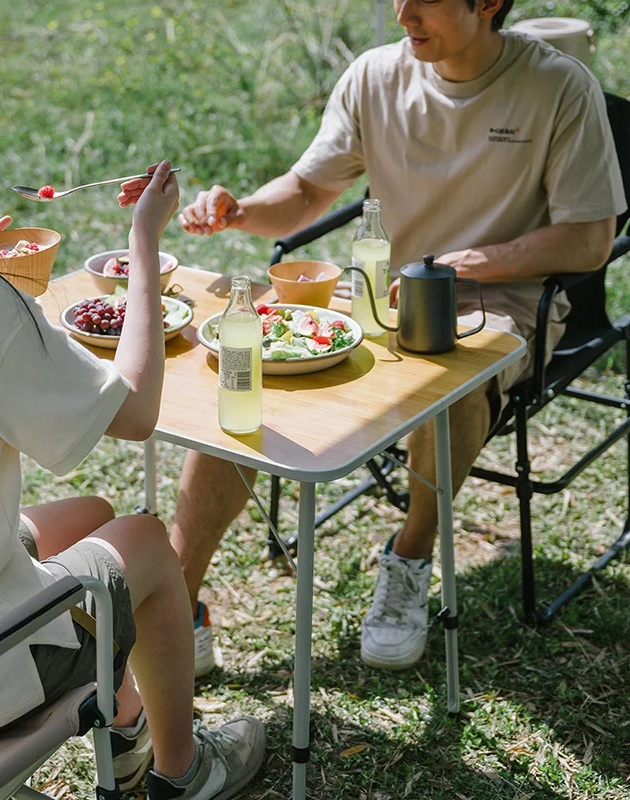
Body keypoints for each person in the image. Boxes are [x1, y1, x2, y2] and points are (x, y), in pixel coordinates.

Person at [0, 15, 266, 800]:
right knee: (141, 542)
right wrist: (143, 247)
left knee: (87, 512)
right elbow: (132, 413)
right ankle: (185, 773)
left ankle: (126, 731)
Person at [132, 0, 627, 674]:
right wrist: (241, 209)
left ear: (486, 3)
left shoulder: (557, 86)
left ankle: (410, 556)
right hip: (376, 292)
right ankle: (178, 601)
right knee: (250, 361)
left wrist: (462, 266)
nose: (401, 15)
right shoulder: (374, 77)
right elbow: (308, 191)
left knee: (447, 381)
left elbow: (591, 238)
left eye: (422, 0)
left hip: (497, 303)